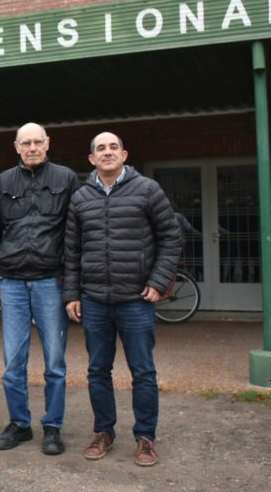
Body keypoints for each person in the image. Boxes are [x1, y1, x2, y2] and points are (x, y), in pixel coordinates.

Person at [63, 131, 182, 467]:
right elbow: (71, 250)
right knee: (97, 370)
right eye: (100, 148)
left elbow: (171, 237)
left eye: (113, 147)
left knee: (142, 371)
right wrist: (71, 293)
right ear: (92, 159)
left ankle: (146, 437)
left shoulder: (147, 189)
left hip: (136, 300)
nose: (107, 152)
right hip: (94, 300)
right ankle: (104, 432)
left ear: (124, 154)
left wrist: (158, 281)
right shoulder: (80, 198)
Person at [0, 122, 80, 455]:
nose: (32, 148)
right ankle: (20, 424)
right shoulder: (3, 182)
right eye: (26, 143)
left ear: (48, 143)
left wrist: (72, 287)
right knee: (13, 363)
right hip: (11, 282)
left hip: (50, 282)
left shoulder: (66, 178)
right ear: (17, 147)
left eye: (38, 142)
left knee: (54, 363)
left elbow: (74, 235)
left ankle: (52, 427)